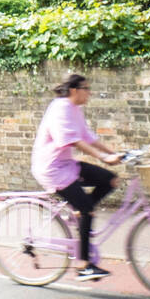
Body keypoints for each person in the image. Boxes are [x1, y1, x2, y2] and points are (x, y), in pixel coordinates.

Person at [31, 73, 121, 281]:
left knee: (110, 180)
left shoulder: (75, 109)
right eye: (86, 88)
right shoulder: (60, 108)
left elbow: (88, 137)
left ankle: (81, 214)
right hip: (52, 169)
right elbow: (71, 141)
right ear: (74, 90)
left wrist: (114, 153)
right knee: (88, 211)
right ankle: (83, 265)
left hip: (67, 165)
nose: (89, 93)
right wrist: (103, 157)